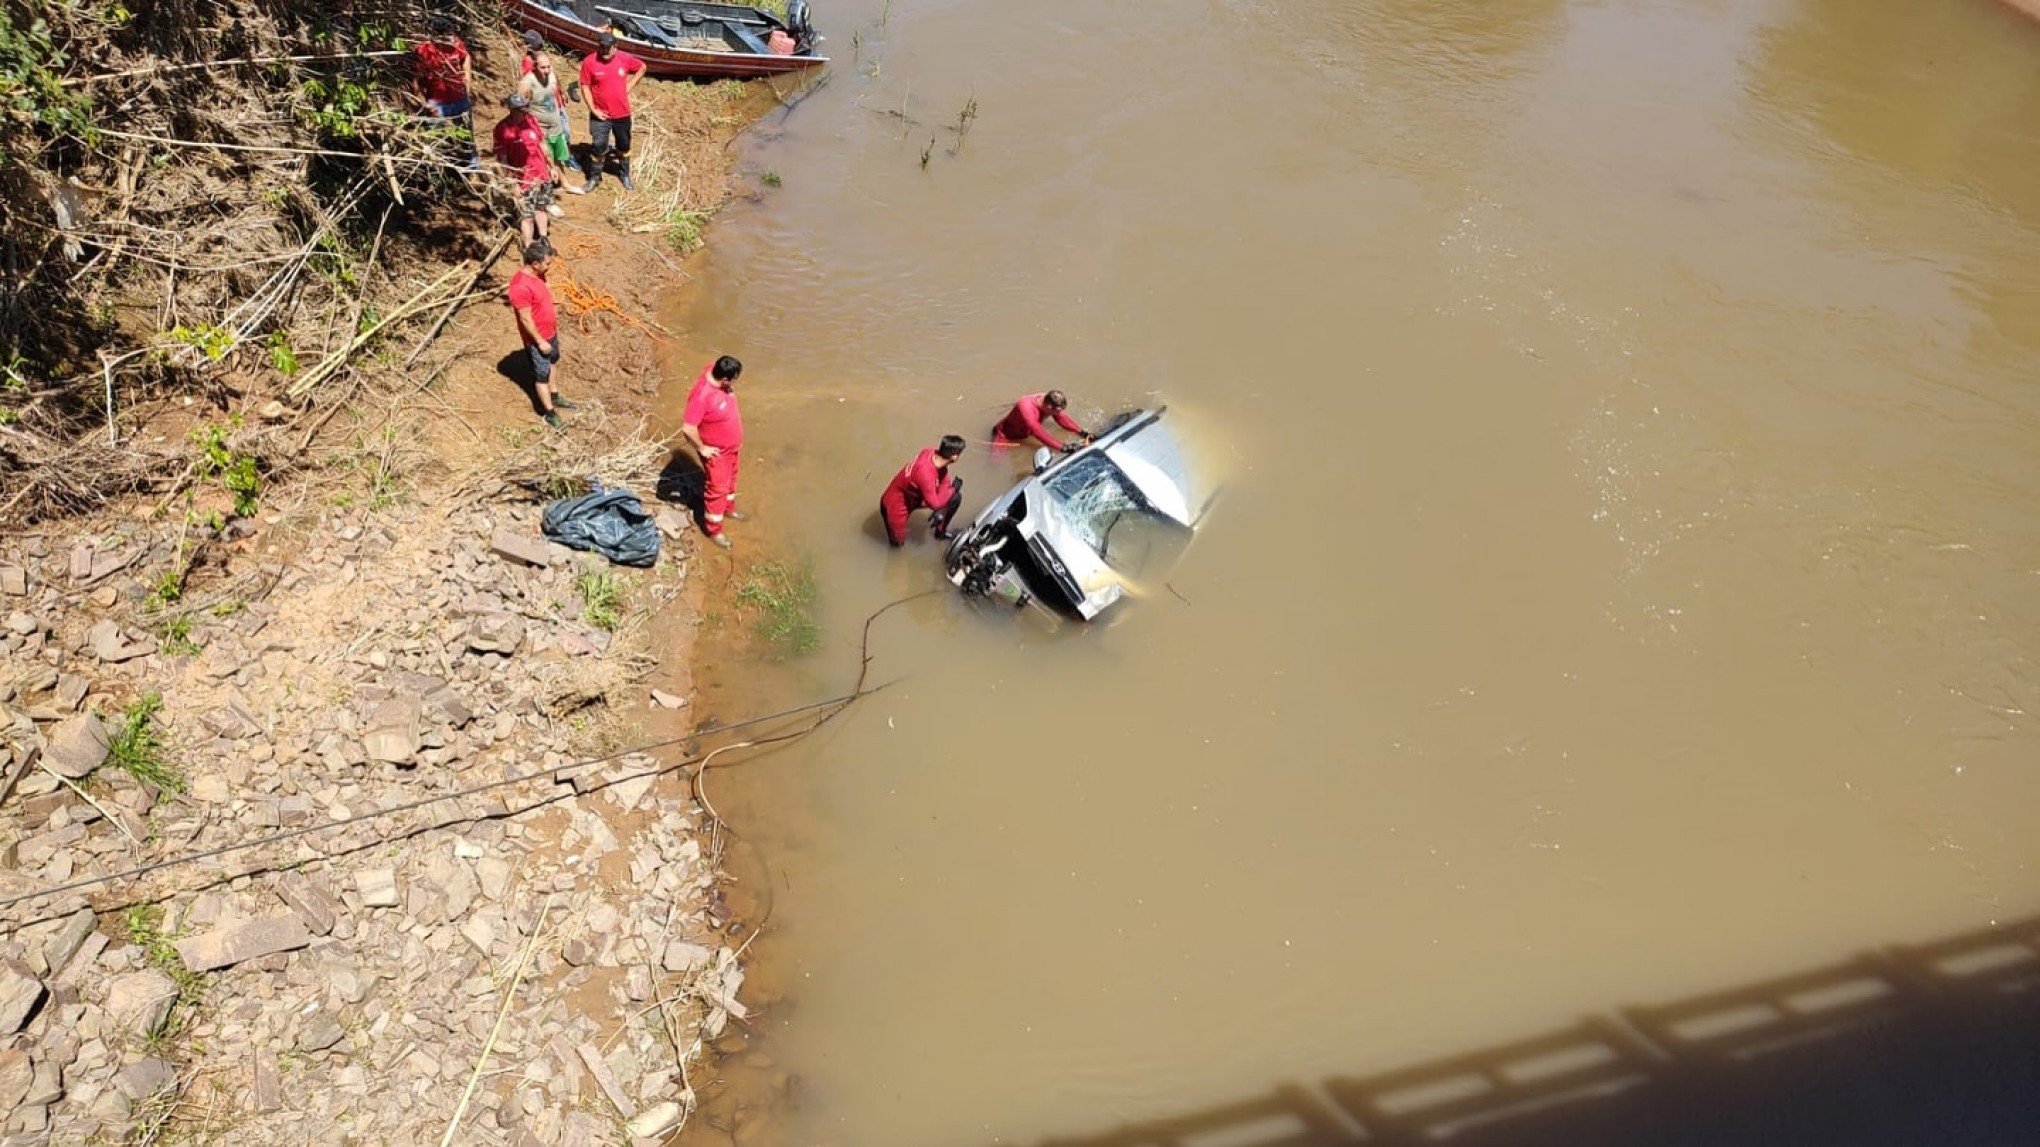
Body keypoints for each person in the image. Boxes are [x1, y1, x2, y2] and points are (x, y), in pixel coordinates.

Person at [506, 243, 574, 428]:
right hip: (539, 339)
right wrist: (540, 341)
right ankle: (549, 412)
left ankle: (555, 395)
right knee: (542, 374)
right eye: (547, 263)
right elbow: (526, 319)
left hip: (550, 332)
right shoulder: (520, 287)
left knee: (552, 361)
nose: (549, 267)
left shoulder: (538, 275)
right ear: (535, 263)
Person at [681, 356, 745, 548]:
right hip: (718, 454)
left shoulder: (712, 369)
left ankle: (729, 508)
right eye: (733, 380)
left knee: (731, 480)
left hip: (732, 449)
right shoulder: (702, 396)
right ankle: (714, 530)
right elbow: (688, 428)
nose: (734, 384)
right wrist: (702, 448)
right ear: (724, 379)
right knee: (717, 489)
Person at [578, 31, 647, 192]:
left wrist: (629, 86)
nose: (605, 51)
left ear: (615, 47)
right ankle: (594, 177)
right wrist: (593, 109)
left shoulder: (624, 59)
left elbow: (642, 67)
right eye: (602, 47)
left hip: (622, 114)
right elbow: (585, 85)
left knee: (623, 145)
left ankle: (624, 174)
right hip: (600, 115)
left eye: (608, 48)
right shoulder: (589, 62)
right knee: (598, 146)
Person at [411, 16, 477, 169]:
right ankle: (438, 168)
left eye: (452, 34)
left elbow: (466, 56)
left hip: (460, 99)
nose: (452, 38)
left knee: (467, 134)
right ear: (437, 36)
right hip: (437, 103)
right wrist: (424, 103)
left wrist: (467, 78)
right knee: (435, 137)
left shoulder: (456, 45)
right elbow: (417, 80)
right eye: (448, 35)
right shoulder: (425, 51)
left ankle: (472, 166)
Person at [518, 49, 583, 198]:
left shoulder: (552, 76)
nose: (547, 70)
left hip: (555, 125)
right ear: (534, 66)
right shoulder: (527, 83)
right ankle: (546, 195)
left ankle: (565, 184)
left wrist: (563, 95)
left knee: (559, 157)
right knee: (543, 161)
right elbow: (520, 108)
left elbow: (557, 88)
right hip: (539, 128)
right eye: (543, 68)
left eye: (549, 66)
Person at [880, 436, 967, 547]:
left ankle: (940, 532)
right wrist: (952, 489)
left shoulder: (930, 452)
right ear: (954, 456)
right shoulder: (925, 473)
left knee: (955, 498)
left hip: (914, 498)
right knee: (897, 544)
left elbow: (943, 477)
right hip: (895, 506)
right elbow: (934, 504)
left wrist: (950, 490)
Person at [491, 96, 553, 247]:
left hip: (541, 174)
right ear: (512, 110)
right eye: (522, 109)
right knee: (527, 216)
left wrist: (551, 166)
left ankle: (544, 238)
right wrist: (512, 183)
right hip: (523, 179)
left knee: (542, 208)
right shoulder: (502, 129)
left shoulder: (531, 120)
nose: (526, 112)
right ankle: (528, 246)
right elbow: (502, 160)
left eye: (526, 107)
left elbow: (542, 144)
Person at [992, 390, 1092, 452]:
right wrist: (1064, 448)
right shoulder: (1026, 407)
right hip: (1005, 435)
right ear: (1049, 406)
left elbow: (1061, 418)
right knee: (995, 464)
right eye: (1056, 412)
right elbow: (1038, 432)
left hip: (1026, 433)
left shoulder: (1049, 400)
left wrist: (1082, 432)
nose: (1057, 414)